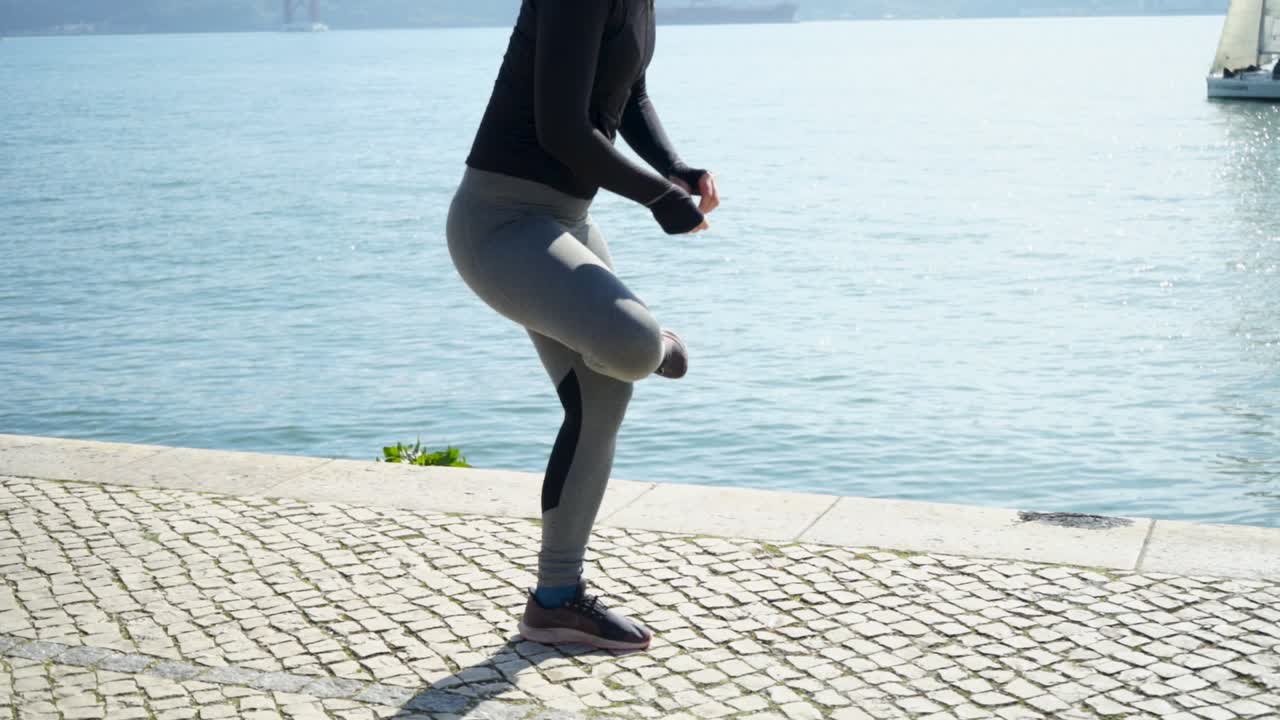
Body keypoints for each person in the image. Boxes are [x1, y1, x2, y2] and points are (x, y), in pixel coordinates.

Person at [445, 0, 720, 651]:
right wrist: (660, 199)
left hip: (567, 223)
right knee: (628, 347)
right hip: (500, 226)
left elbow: (628, 97)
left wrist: (674, 169)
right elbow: (563, 130)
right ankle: (655, 346)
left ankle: (556, 603)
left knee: (604, 398)